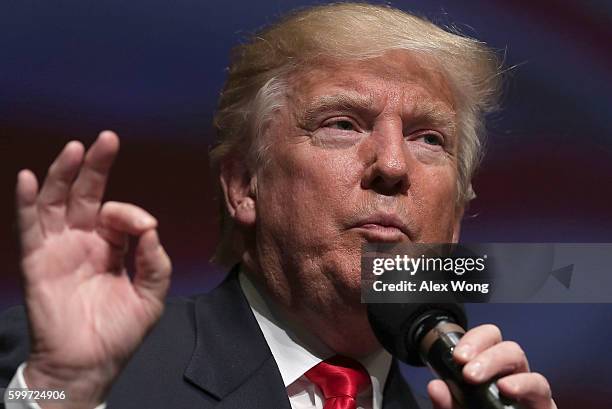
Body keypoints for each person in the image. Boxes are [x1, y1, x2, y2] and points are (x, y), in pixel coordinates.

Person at [1, 3, 557, 409]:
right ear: (244, 185)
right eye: (342, 125)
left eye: (429, 139)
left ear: (456, 216)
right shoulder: (78, 363)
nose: (392, 166)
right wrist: (62, 388)